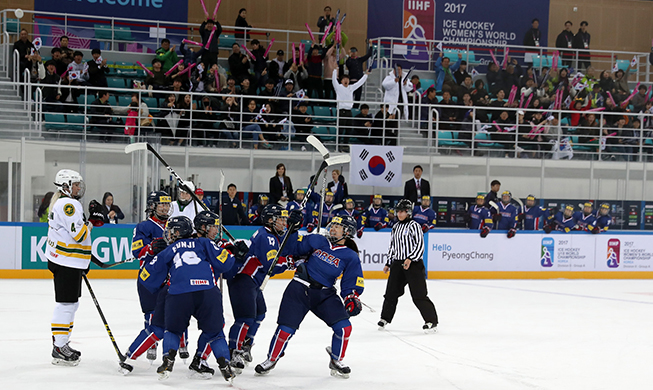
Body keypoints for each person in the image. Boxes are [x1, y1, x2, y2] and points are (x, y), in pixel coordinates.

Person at [254, 214, 364, 378]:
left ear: (347, 232)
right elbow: (291, 248)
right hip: (299, 289)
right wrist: (293, 229)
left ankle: (336, 359)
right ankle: (272, 358)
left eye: (337, 226)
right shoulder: (317, 240)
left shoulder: (350, 255)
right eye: (332, 225)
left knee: (344, 327)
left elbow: (352, 280)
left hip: (325, 294)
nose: (332, 228)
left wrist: (351, 297)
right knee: (285, 329)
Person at [139, 215, 236, 382]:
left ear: (178, 232)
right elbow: (227, 263)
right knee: (216, 333)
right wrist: (232, 251)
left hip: (179, 293)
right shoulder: (204, 243)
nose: (169, 234)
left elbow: (147, 276)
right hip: (208, 292)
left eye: (171, 231)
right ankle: (225, 364)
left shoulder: (171, 248)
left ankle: (168, 360)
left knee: (173, 331)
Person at [227, 205, 297, 372]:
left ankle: (246, 344)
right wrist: (289, 263)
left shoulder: (270, 235)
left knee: (260, 313)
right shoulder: (267, 237)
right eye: (280, 218)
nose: (283, 222)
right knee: (245, 317)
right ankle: (233, 351)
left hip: (251, 281)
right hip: (243, 278)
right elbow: (271, 264)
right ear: (270, 220)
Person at [46, 169, 92, 366]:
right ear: (65, 186)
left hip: (68, 261)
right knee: (66, 305)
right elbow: (80, 235)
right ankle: (59, 346)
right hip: (66, 262)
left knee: (71, 304)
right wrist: (91, 224)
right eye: (75, 184)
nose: (78, 188)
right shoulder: (68, 205)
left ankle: (62, 342)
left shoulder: (64, 202)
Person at [123, 191, 171, 367]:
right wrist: (150, 248)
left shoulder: (174, 224)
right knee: (151, 315)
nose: (165, 208)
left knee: (170, 315)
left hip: (169, 276)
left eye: (167, 204)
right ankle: (150, 344)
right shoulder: (144, 226)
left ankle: (170, 349)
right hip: (150, 278)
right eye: (161, 204)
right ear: (152, 206)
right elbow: (136, 251)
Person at [378, 199, 437, 333]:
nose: (399, 214)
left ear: (408, 212)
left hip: (413, 264)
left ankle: (431, 321)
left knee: (419, 294)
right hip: (398, 264)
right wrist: (388, 262)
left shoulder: (414, 226)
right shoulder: (395, 227)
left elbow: (420, 245)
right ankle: (385, 318)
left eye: (402, 212)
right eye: (398, 211)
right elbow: (392, 246)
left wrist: (410, 258)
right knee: (390, 293)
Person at [332, 68, 369, 146]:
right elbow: (333, 80)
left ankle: (345, 144)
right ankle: (338, 145)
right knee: (341, 129)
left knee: (348, 129)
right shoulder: (338, 87)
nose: (346, 81)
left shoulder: (351, 88)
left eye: (347, 79)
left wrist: (365, 75)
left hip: (349, 111)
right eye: (344, 79)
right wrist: (335, 71)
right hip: (341, 111)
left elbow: (359, 83)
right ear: (341, 81)